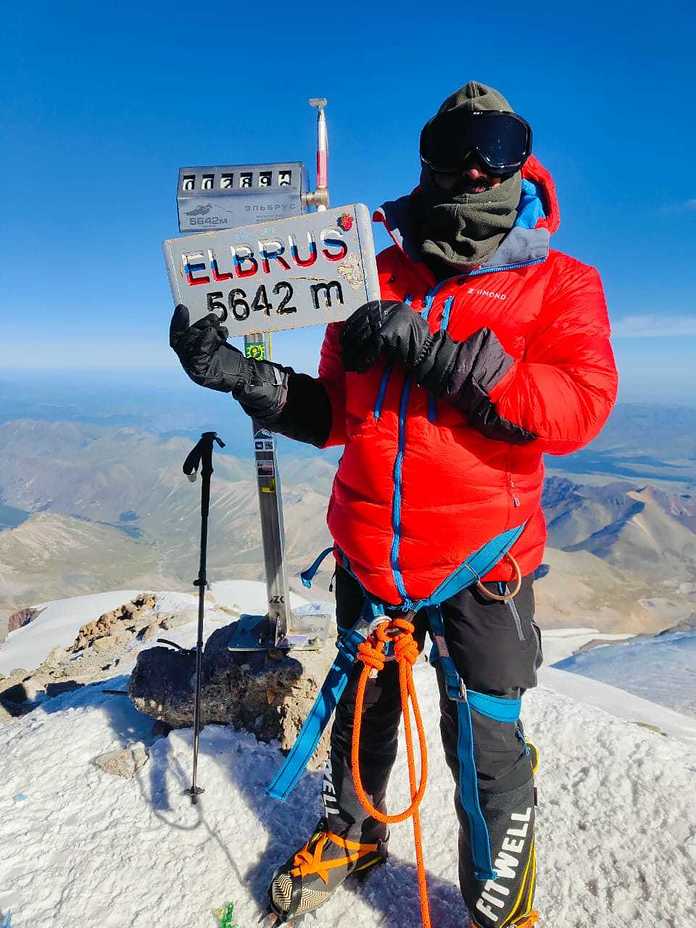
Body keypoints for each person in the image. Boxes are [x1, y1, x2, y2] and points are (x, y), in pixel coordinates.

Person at [170, 81, 618, 928]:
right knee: (365, 709)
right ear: (429, 161)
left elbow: (578, 407)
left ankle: (499, 909)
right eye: (461, 145)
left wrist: (444, 357)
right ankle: (354, 834)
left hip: (484, 565)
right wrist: (240, 377)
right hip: (371, 551)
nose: (481, 163)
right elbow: (334, 413)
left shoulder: (560, 284)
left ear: (524, 161)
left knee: (486, 748)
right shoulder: (367, 276)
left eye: (501, 142)